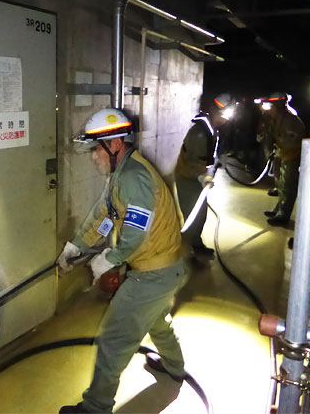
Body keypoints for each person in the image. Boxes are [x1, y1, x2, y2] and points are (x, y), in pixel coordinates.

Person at [58, 108, 188, 414]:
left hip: (154, 274)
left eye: (95, 149)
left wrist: (108, 260)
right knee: (157, 322)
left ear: (114, 144)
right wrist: (75, 247)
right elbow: (103, 215)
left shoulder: (134, 177)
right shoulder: (121, 173)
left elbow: (135, 233)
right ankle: (174, 367)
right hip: (164, 271)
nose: (93, 157)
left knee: (113, 341)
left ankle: (95, 407)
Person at [174, 93, 230, 263]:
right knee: (195, 215)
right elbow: (194, 161)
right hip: (187, 177)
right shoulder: (200, 133)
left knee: (200, 214)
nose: (226, 121)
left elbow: (207, 156)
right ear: (215, 113)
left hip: (194, 176)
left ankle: (195, 244)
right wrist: (203, 177)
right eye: (223, 117)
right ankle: (188, 250)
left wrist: (212, 167)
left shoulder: (211, 130)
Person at [258, 93, 305, 226]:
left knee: (288, 186)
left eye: (271, 106)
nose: (270, 109)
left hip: (292, 156)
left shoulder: (291, 120)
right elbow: (271, 135)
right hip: (282, 156)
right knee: (280, 184)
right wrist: (270, 151)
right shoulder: (277, 118)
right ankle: (279, 210)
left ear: (278, 106)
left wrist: (278, 152)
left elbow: (292, 142)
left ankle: (283, 215)